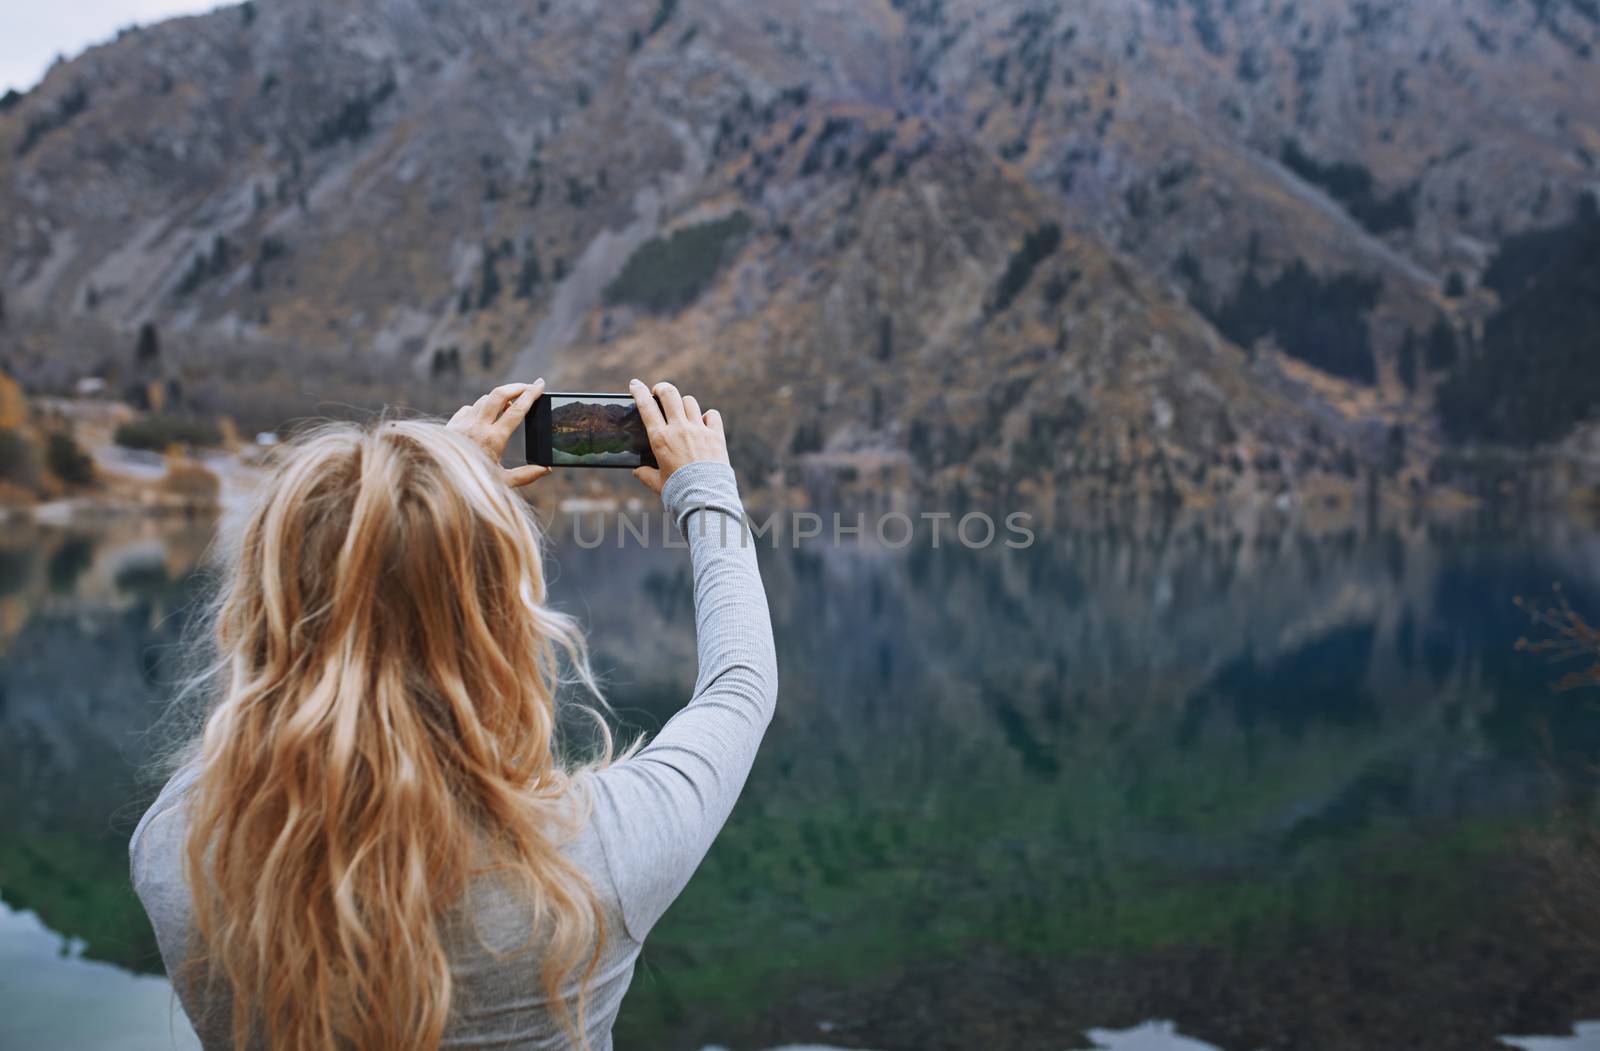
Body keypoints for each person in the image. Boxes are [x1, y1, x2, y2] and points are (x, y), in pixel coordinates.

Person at [129, 378, 778, 1050]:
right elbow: (740, 687)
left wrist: (417, 490)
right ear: (499, 625)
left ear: (259, 611)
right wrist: (707, 495)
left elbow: (282, 672)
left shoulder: (180, 849)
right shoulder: (594, 859)